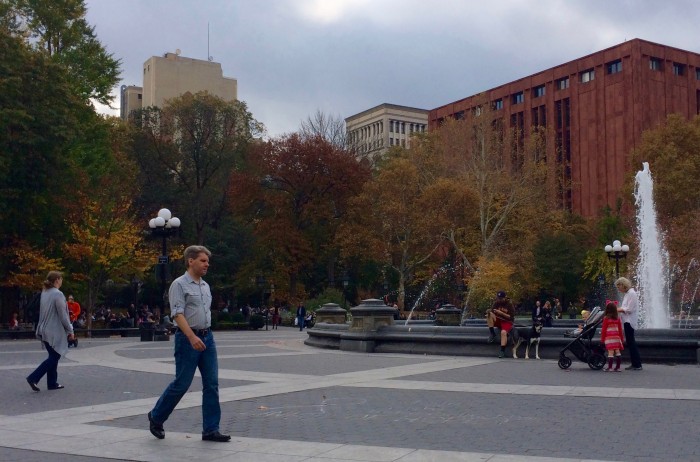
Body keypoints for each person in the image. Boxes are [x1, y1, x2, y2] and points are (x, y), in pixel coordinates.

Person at [147, 245, 230, 442]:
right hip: (187, 339)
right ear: (190, 261)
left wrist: (203, 335)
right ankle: (156, 416)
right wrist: (192, 337)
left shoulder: (205, 285)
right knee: (182, 383)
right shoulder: (179, 284)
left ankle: (211, 429)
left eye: (208, 261)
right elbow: (177, 314)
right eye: (203, 260)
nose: (206, 264)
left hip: (207, 338)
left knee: (212, 384)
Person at [26, 271, 75, 392]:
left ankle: (52, 382)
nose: (62, 281)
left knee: (53, 355)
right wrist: (70, 329)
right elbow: (63, 315)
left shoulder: (45, 293)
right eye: (61, 279)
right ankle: (33, 377)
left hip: (42, 329)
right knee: (55, 356)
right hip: (53, 330)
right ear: (57, 280)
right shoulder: (58, 294)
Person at [616, 277, 643, 371]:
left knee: (631, 342)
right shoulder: (628, 293)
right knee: (630, 342)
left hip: (629, 321)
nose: (618, 289)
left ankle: (637, 364)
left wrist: (618, 309)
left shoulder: (631, 293)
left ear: (623, 285)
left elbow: (630, 309)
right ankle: (635, 363)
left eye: (619, 287)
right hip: (627, 321)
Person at [487, 291, 515, 358]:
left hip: (507, 322)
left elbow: (511, 317)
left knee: (503, 332)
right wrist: (489, 312)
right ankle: (492, 333)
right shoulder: (496, 303)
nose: (499, 300)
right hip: (499, 320)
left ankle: (502, 351)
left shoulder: (509, 304)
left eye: (501, 298)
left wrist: (501, 313)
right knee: (489, 314)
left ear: (505, 298)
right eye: (498, 298)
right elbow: (491, 312)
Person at [600, 302, 625, 372]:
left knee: (610, 352)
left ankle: (610, 367)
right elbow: (620, 330)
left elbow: (604, 330)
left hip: (609, 338)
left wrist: (602, 339)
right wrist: (622, 339)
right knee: (617, 352)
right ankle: (618, 367)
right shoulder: (618, 319)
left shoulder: (606, 318)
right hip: (616, 338)